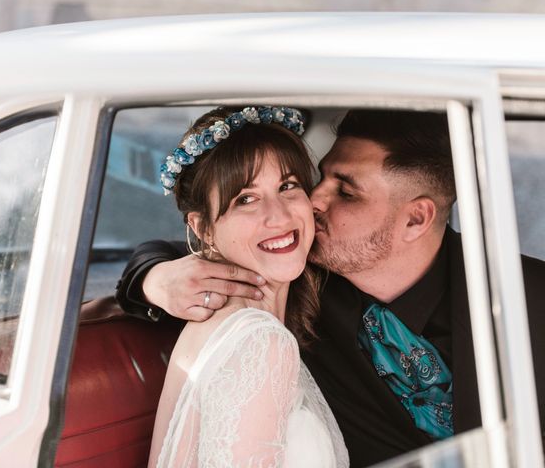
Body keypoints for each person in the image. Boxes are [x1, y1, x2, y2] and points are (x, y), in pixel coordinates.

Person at [118, 109, 545, 467]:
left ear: (416, 219)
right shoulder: (296, 277)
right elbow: (207, 244)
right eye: (319, 178)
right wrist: (155, 279)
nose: (312, 200)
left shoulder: (530, 299)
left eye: (346, 191)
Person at [147, 106, 349, 467]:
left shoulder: (233, 323)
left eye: (288, 186)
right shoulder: (259, 340)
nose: (281, 216)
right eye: (246, 199)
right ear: (203, 228)